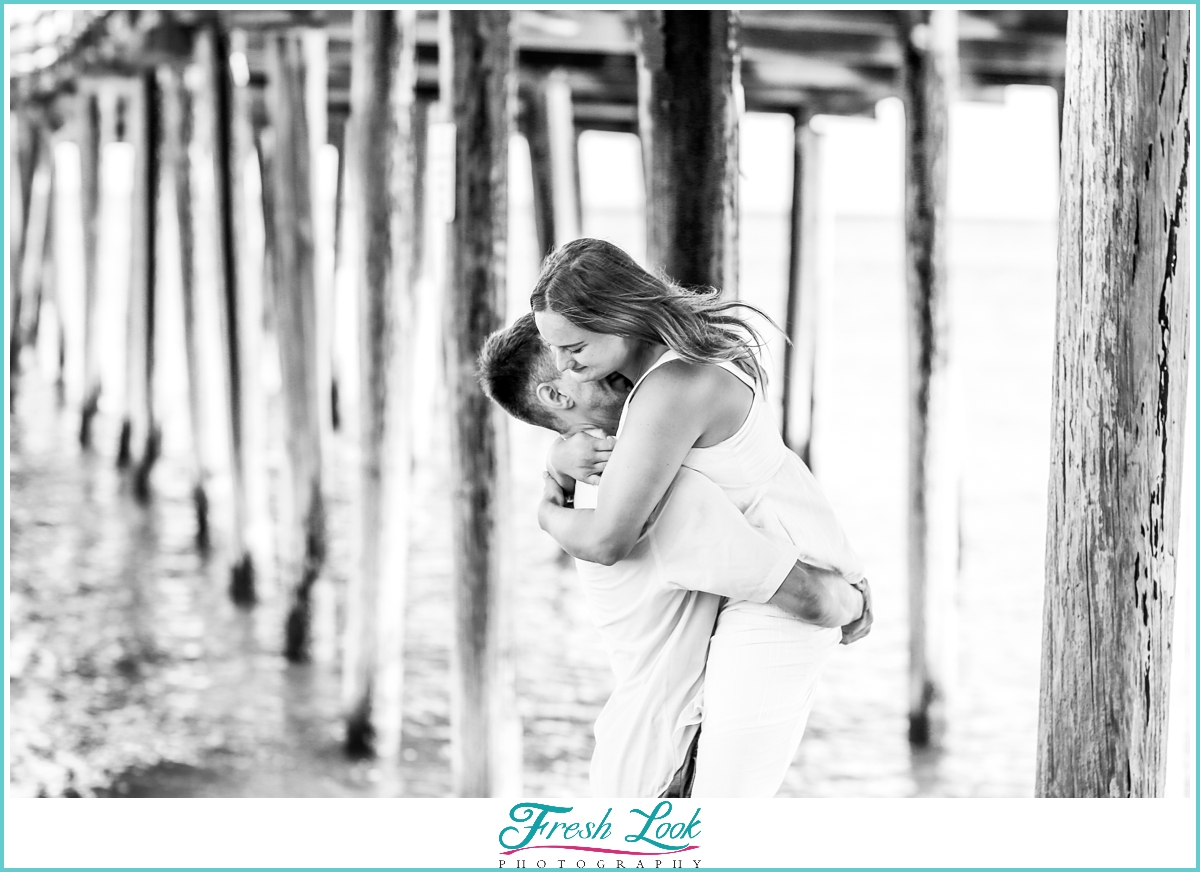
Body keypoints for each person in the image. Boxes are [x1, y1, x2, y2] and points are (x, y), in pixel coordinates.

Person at [477, 314, 871, 798]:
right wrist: (855, 603)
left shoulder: (596, 489)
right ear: (557, 395)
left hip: (647, 762)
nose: (614, 352)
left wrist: (551, 481)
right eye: (578, 357)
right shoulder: (651, 498)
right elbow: (807, 597)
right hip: (665, 775)